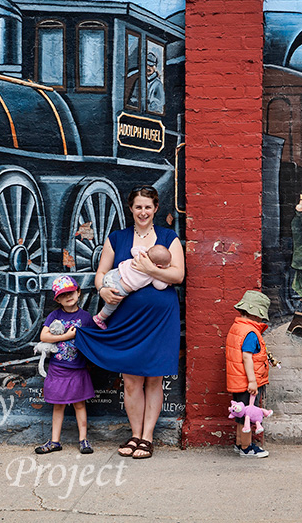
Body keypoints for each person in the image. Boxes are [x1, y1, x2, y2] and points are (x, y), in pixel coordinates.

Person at [75, 185, 184, 460]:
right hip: (127, 320)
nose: (143, 212)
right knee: (132, 381)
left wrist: (149, 269)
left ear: (156, 208)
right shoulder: (117, 238)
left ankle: (147, 438)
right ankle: (135, 435)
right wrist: (102, 290)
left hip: (160, 320)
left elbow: (178, 275)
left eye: (148, 207)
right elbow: (101, 273)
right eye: (138, 207)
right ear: (131, 208)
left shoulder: (169, 238)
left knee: (154, 380)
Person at [34, 275, 96, 455]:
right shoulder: (55, 315)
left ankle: (83, 440)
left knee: (79, 405)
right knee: (58, 405)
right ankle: (55, 441)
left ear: (78, 292)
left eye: (71, 292)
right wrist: (67, 336)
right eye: (63, 295)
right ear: (58, 300)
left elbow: (93, 339)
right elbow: (44, 336)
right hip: (58, 369)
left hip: (78, 368)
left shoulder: (85, 317)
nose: (68, 297)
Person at [226, 290, 273, 458]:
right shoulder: (250, 333)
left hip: (237, 380)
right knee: (247, 414)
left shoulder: (237, 327)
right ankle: (246, 448)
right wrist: (252, 381)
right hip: (246, 382)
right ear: (255, 313)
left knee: (240, 414)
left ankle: (239, 444)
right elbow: (247, 357)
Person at [92, 244, 172, 329]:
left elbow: (133, 249)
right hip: (117, 288)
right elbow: (160, 286)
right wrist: (166, 281)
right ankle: (99, 318)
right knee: (111, 306)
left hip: (112, 275)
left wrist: (146, 250)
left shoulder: (140, 255)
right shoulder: (152, 273)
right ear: (159, 266)